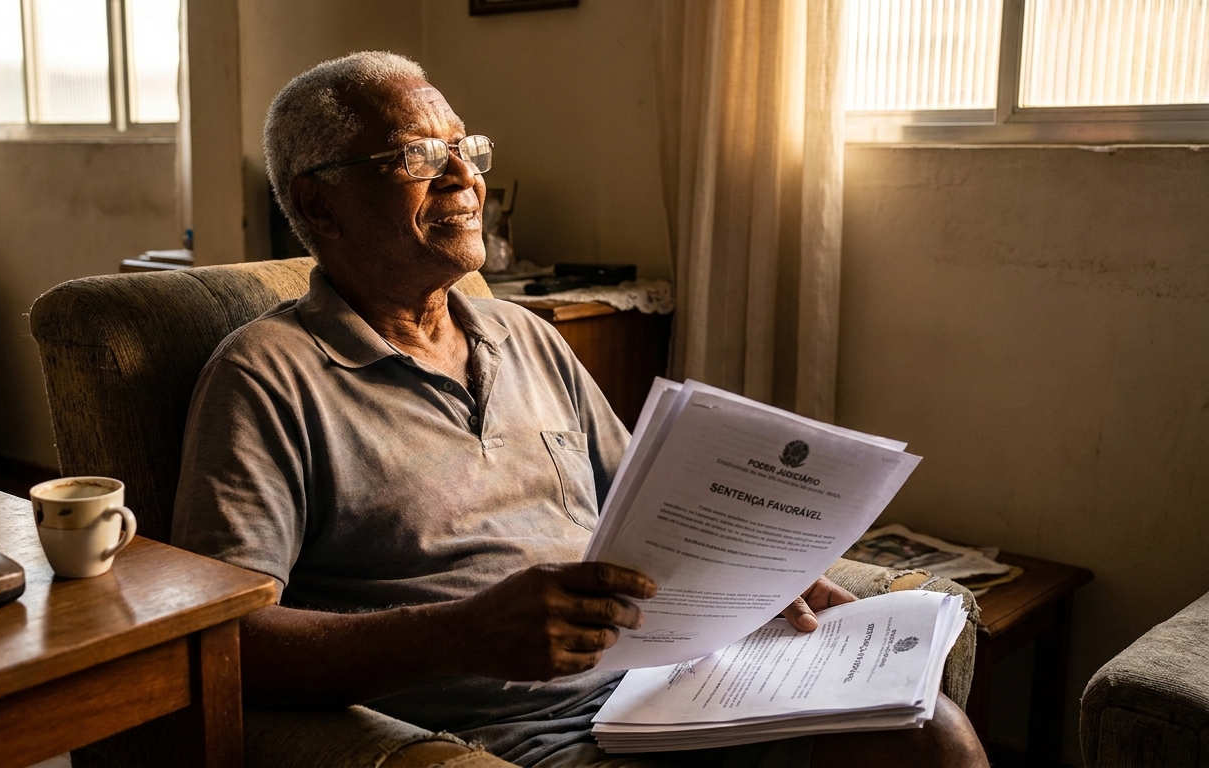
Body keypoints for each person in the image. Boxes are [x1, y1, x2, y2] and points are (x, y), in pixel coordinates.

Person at [170, 51, 986, 768]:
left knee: (929, 736)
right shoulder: (266, 375)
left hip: (666, 691)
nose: (463, 178)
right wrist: (455, 634)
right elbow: (223, 642)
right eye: (418, 155)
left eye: (466, 148)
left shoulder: (525, 335)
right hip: (516, 739)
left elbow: (657, 513)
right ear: (319, 205)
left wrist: (762, 570)